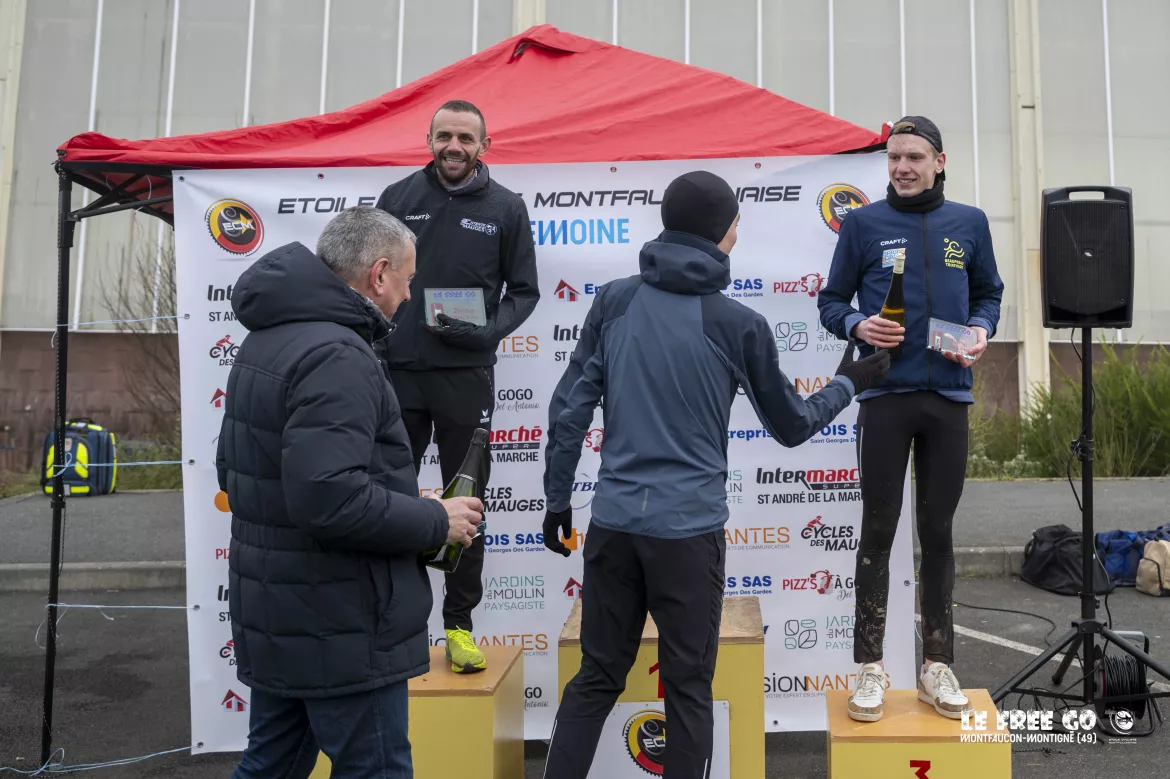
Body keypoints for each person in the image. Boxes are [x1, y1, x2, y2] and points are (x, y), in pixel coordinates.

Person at [538, 171, 891, 778]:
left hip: (615, 526)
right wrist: (849, 382)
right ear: (726, 232)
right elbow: (793, 425)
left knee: (596, 677)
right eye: (736, 223)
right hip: (687, 535)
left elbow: (569, 411)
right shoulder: (739, 323)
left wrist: (556, 502)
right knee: (687, 688)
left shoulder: (614, 300)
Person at [218, 207, 484, 778]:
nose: (409, 296)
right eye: (407, 280)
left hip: (284, 611)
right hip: (342, 619)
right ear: (379, 274)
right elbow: (329, 499)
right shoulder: (337, 354)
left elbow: (240, 474)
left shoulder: (269, 339)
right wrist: (434, 521)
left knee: (271, 766)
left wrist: (406, 507)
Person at [817, 116, 1004, 722]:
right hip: (885, 397)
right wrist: (857, 324)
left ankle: (936, 667)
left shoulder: (970, 223)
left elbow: (990, 293)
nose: (901, 167)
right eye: (894, 157)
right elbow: (830, 301)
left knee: (938, 532)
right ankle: (870, 669)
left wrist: (981, 328)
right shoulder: (863, 223)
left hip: (948, 396)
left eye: (914, 157)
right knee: (878, 528)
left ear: (939, 162)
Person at [375, 99, 539, 674]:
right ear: (429, 139)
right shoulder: (397, 198)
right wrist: (377, 340)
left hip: (466, 377)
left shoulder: (505, 207)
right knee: (389, 500)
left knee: (465, 504)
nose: (454, 146)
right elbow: (372, 279)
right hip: (398, 375)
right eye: (444, 135)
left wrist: (490, 330)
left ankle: (459, 627)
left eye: (465, 138)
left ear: (483, 146)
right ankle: (396, 623)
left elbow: (524, 291)